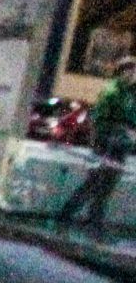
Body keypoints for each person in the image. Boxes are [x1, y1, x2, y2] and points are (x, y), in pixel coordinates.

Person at [56, 57, 136, 237]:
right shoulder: (111, 92)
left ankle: (92, 220)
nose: (132, 74)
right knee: (96, 182)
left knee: (108, 184)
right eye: (128, 70)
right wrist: (113, 134)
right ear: (121, 72)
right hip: (107, 142)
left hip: (122, 144)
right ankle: (68, 215)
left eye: (134, 70)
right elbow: (98, 120)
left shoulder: (132, 92)